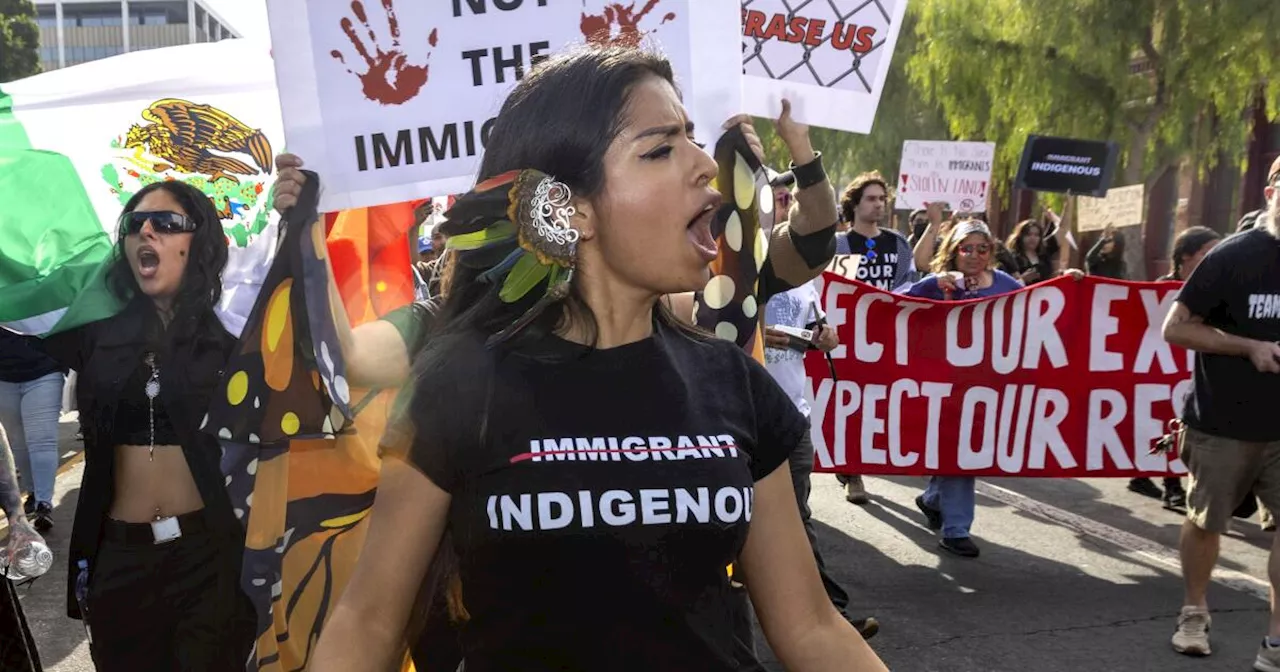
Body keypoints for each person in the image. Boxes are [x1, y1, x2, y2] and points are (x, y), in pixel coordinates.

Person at [309, 45, 886, 672]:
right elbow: (367, 622)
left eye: (692, 139)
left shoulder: (733, 381)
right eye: (661, 148)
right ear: (572, 209)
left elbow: (811, 627)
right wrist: (305, 236)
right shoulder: (458, 383)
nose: (705, 166)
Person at [37, 181, 256, 671]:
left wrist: (297, 212)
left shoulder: (230, 328)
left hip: (207, 557)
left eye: (166, 223)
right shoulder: (94, 329)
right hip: (121, 560)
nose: (147, 232)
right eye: (135, 224)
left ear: (196, 240)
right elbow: (24, 290)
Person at [1162, 157, 1280, 668]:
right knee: (1206, 522)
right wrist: (1247, 347)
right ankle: (1195, 610)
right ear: (1273, 191)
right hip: (1224, 422)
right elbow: (1177, 328)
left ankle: (1275, 641)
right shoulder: (1234, 255)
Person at [906, 220, 1025, 558]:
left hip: (984, 386)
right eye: (966, 248)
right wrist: (929, 285)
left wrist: (1073, 283)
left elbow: (1040, 307)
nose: (974, 255)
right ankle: (956, 529)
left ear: (992, 252)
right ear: (954, 251)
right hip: (941, 383)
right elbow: (894, 306)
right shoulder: (939, 283)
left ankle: (935, 501)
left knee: (963, 450)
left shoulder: (1005, 283)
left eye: (982, 248)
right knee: (955, 450)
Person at [834, 172, 919, 505]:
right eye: (871, 198)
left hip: (886, 337)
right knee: (853, 403)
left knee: (881, 404)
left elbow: (906, 285)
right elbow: (838, 293)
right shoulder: (842, 244)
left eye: (882, 199)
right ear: (854, 204)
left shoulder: (897, 242)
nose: (879, 204)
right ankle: (852, 473)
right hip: (851, 340)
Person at [1129, 227, 1224, 508]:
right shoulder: (1161, 287)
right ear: (1185, 256)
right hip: (1161, 369)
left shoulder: (1217, 287)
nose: (1215, 259)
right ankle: (1170, 483)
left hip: (1195, 369)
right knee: (1164, 421)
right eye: (1207, 252)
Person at [0, 330, 65, 532]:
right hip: (4, 376)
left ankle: (44, 503)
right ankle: (34, 493)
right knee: (18, 443)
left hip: (45, 370)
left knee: (42, 439)